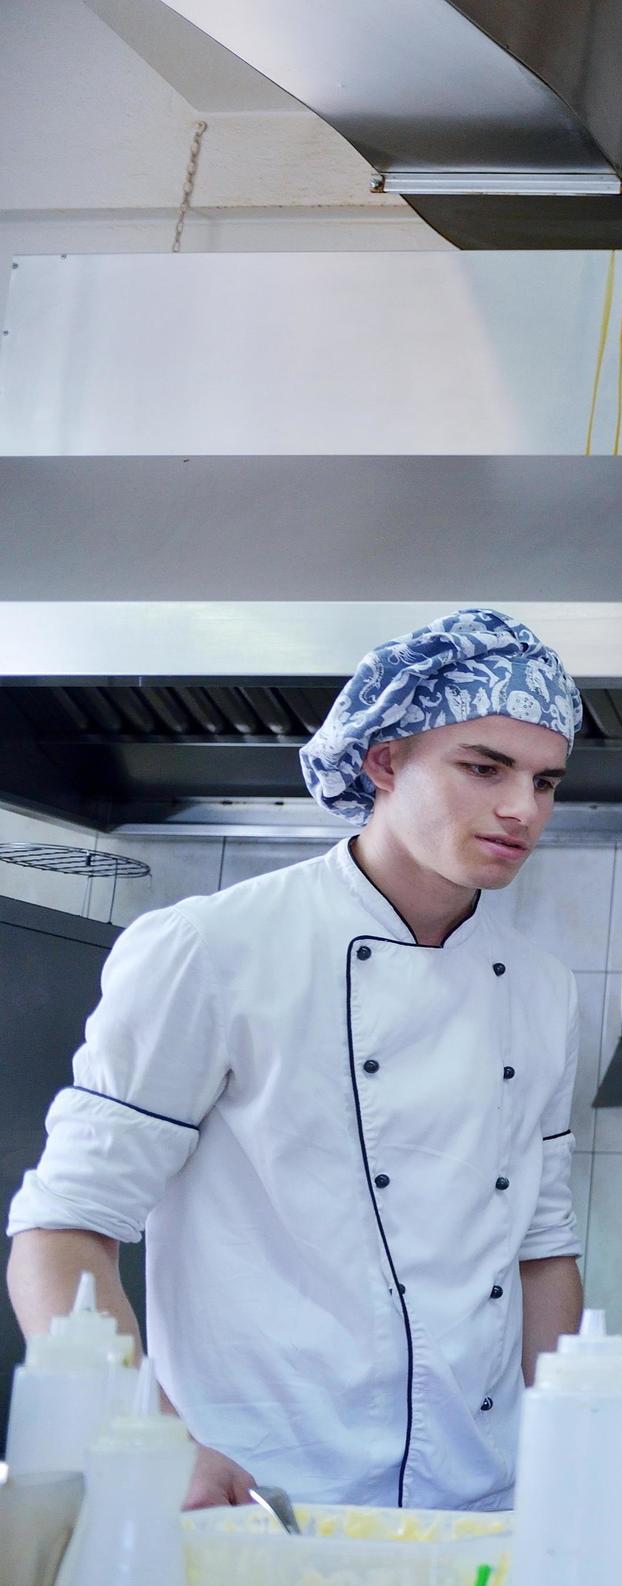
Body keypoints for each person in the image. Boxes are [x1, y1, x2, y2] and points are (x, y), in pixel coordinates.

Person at [6, 609, 590, 1509]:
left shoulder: (543, 988)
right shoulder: (212, 950)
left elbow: (542, 1253)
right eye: (483, 767)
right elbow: (60, 1234)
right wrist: (149, 1439)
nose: (522, 809)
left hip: (482, 1509)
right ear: (384, 761)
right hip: (256, 1500)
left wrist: (565, 1465)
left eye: (546, 781)